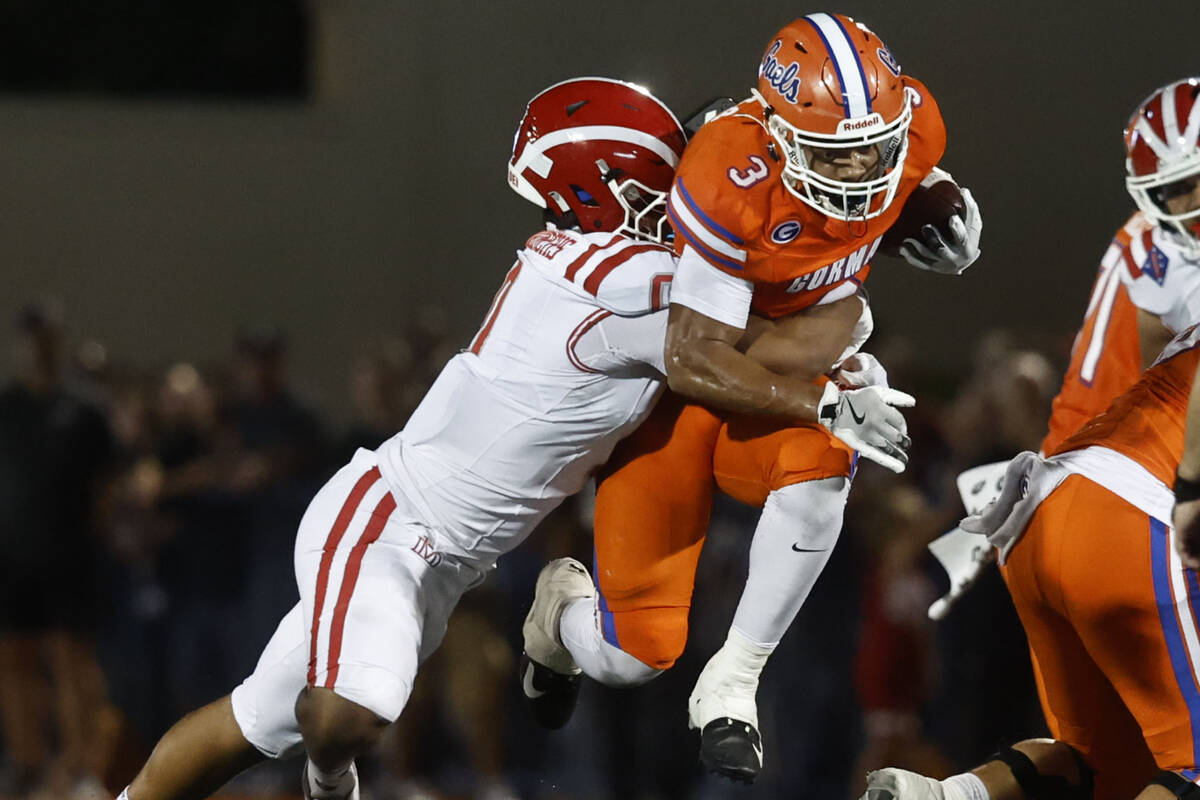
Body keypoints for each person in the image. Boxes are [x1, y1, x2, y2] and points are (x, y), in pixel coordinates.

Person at [116, 76, 904, 800]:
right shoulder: (611, 272)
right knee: (350, 712)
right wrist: (854, 304)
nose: (679, 196)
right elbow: (772, 337)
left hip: (447, 553)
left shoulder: (600, 260)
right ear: (603, 185)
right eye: (657, 180)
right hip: (392, 525)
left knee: (252, 723)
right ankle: (333, 783)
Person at [521, 11, 981, 782]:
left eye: (878, 146)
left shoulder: (910, 125)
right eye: (839, 154)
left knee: (827, 463)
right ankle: (557, 617)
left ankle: (734, 678)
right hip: (676, 403)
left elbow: (905, 178)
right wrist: (833, 366)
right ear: (775, 132)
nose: (863, 170)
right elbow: (699, 358)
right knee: (633, 658)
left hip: (769, 390)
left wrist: (940, 207)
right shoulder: (726, 172)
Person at [863, 77, 1200, 800]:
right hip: (1130, 507)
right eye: (1180, 191)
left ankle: (948, 794)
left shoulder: (1142, 245)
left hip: (1039, 514)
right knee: (1194, 761)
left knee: (1092, 758)